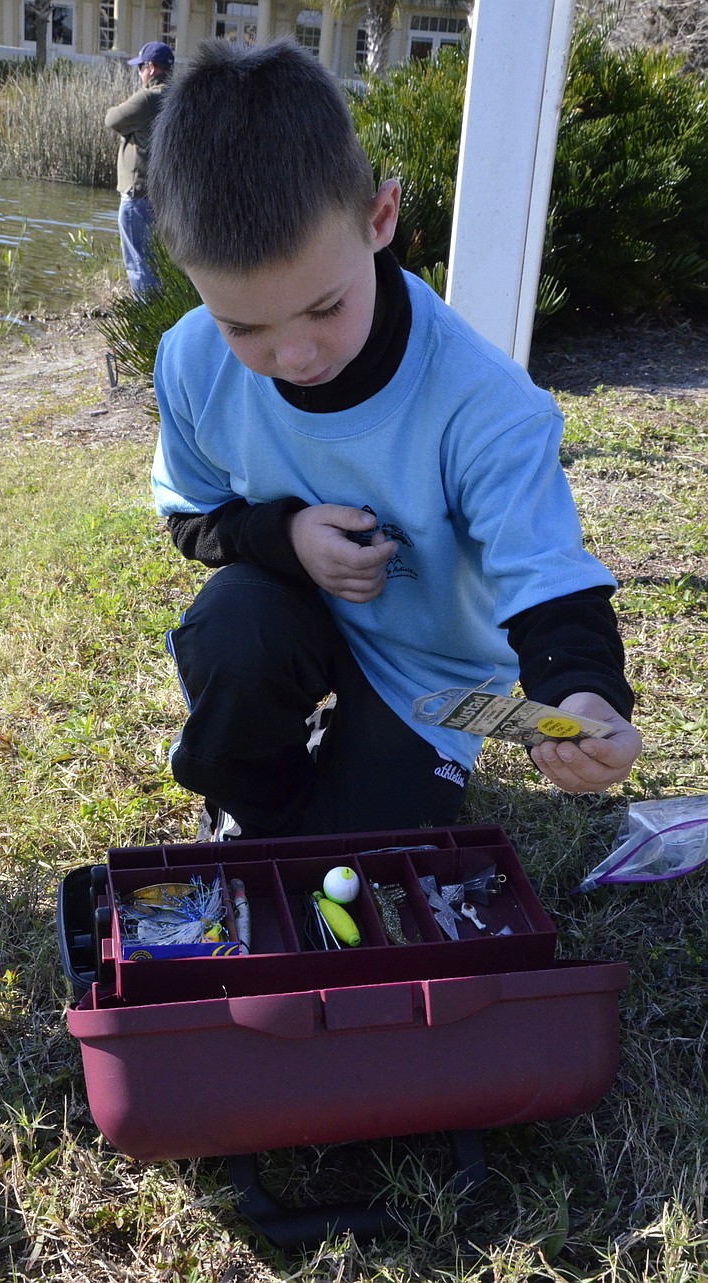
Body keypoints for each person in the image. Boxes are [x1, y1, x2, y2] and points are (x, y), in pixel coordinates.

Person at [146, 38, 642, 840]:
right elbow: (192, 516)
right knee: (232, 632)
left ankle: (367, 775)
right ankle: (253, 801)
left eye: (323, 307)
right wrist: (286, 536)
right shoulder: (192, 359)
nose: (295, 358)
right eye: (245, 327)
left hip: (429, 673)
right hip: (285, 614)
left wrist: (585, 693)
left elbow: (549, 580)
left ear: (380, 219)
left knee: (373, 857)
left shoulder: (487, 404)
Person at [105, 40, 174, 297]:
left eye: (140, 67)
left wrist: (133, 126)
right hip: (165, 198)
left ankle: (144, 333)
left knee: (140, 268)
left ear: (152, 68)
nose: (138, 73)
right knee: (159, 267)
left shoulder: (149, 97)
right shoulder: (178, 96)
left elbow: (112, 119)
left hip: (139, 196)